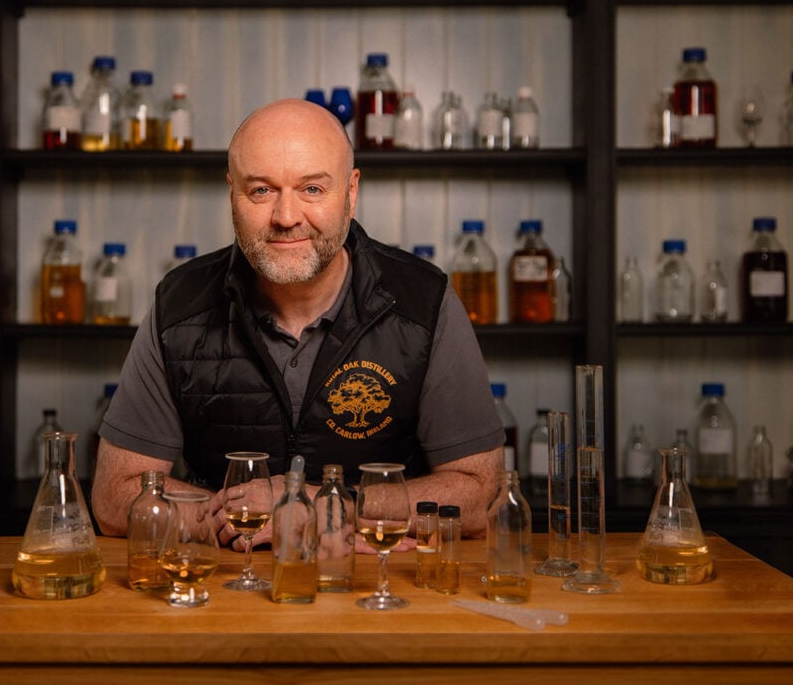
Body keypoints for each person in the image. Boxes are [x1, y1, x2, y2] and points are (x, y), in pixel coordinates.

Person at [92, 98, 503, 551]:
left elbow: (481, 495)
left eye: (312, 189)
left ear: (351, 192)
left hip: (377, 587)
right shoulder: (179, 304)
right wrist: (228, 520)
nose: (286, 218)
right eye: (261, 191)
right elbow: (114, 498)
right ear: (232, 193)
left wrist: (328, 508)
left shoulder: (423, 302)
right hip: (221, 590)